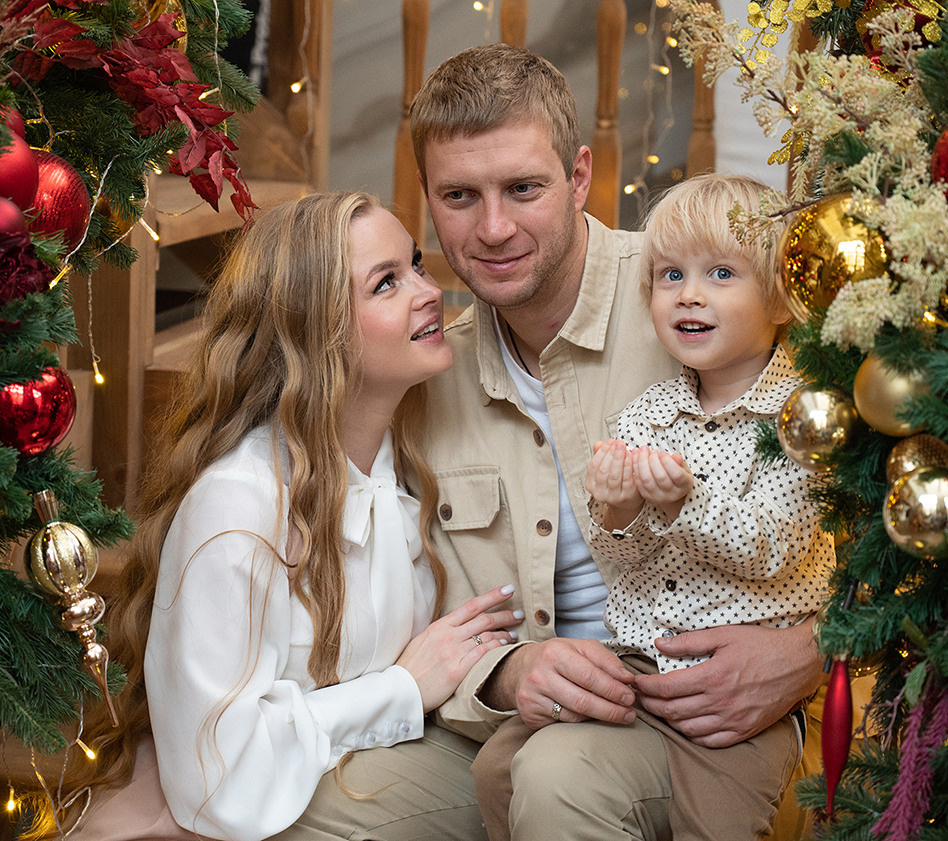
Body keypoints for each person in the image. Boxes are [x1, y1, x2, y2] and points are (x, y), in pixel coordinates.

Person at [403, 43, 829, 841]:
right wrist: (507, 674)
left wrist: (812, 649)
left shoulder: (697, 295)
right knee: (319, 802)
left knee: (557, 779)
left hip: (707, 723)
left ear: (578, 177)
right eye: (460, 195)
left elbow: (864, 506)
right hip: (510, 727)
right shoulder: (423, 374)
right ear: (429, 199)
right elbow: (396, 599)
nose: (493, 228)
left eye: (523, 188)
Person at [60, 191, 520, 841]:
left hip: (343, 791)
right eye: (387, 282)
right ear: (318, 329)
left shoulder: (402, 463)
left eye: (415, 264)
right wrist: (401, 689)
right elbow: (221, 772)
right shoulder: (237, 508)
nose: (428, 289)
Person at [470, 173, 836, 840]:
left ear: (782, 298)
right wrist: (615, 510)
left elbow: (772, 544)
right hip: (639, 664)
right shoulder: (649, 415)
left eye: (721, 272)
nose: (689, 294)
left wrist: (679, 504)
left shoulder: (801, 415)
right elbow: (622, 558)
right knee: (498, 765)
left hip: (738, 704)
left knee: (718, 825)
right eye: (670, 275)